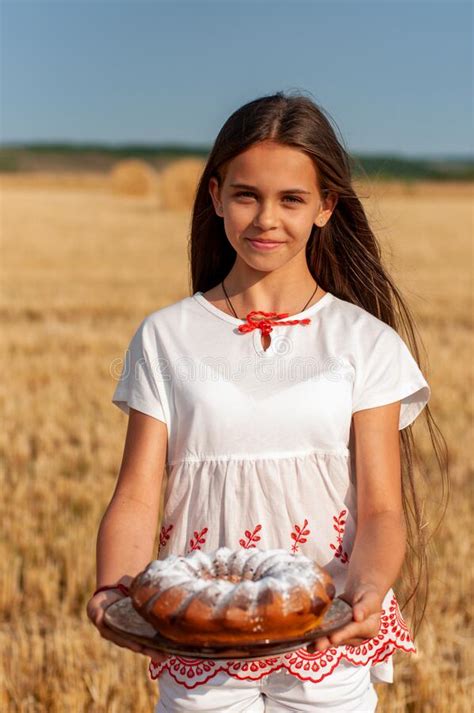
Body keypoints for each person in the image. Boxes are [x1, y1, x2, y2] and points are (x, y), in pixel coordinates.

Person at [86, 91, 449, 712]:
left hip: (325, 632)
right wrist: (115, 590)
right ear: (215, 196)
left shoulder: (365, 342)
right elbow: (138, 495)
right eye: (247, 195)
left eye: (292, 199)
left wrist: (366, 589)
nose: (266, 219)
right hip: (201, 636)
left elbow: (383, 508)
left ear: (326, 206)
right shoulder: (166, 336)